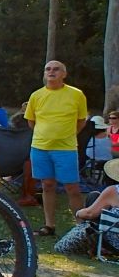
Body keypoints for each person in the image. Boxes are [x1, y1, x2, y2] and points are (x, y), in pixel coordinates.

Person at [24, 61, 88, 238]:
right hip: (40, 148)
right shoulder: (36, 96)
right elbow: (31, 121)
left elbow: (81, 121)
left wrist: (66, 136)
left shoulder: (76, 95)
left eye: (56, 69)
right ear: (44, 74)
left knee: (72, 188)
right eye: (48, 69)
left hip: (65, 149)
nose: (51, 72)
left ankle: (81, 227)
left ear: (64, 74)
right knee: (47, 185)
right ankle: (49, 226)